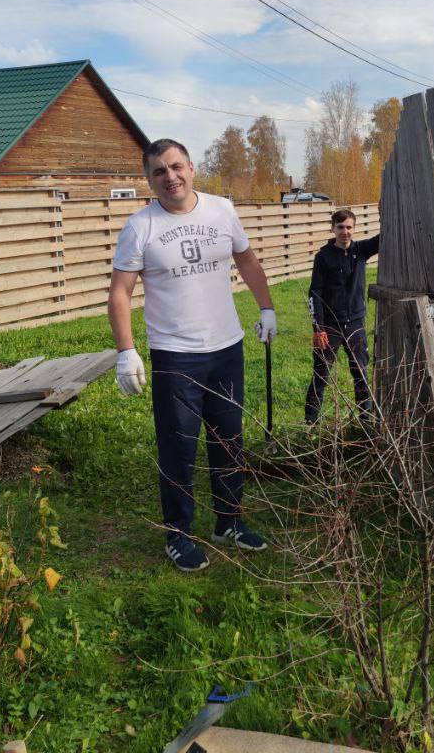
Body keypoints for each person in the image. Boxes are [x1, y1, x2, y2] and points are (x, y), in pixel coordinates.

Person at [108, 139, 277, 572]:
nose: (170, 177)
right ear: (149, 179)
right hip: (175, 355)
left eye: (176, 167)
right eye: (159, 172)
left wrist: (267, 307)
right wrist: (126, 351)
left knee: (229, 439)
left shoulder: (222, 211)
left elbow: (248, 260)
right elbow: (120, 292)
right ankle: (178, 534)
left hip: (226, 348)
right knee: (178, 448)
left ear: (192, 167)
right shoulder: (140, 227)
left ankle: (229, 520)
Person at [304, 209, 379, 427]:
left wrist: (386, 214)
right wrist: (318, 327)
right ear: (333, 228)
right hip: (329, 326)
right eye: (340, 227)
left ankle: (365, 420)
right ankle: (311, 422)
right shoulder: (323, 257)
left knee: (360, 372)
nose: (345, 232)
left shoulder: (361, 250)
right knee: (321, 373)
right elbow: (315, 293)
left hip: (355, 323)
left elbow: (384, 239)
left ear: (354, 228)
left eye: (349, 227)